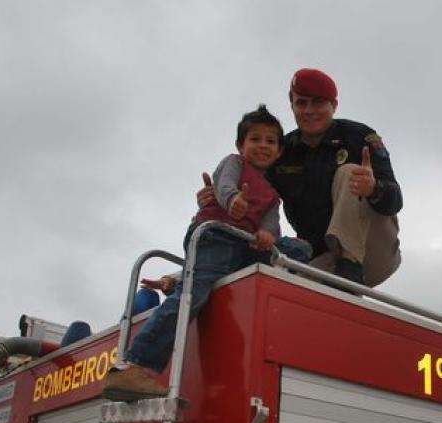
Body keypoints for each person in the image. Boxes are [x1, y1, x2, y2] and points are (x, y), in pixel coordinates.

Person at [102, 104, 311, 401]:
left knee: (299, 249)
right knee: (194, 292)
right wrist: (232, 200)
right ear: (241, 145)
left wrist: (266, 236)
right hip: (215, 236)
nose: (263, 146)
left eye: (270, 141)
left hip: (244, 245)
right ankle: (133, 366)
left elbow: (270, 226)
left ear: (278, 151)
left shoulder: (272, 195)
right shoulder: (234, 163)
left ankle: (269, 280)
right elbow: (224, 186)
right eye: (255, 139)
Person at [199, 68, 402, 286]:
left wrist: (373, 188)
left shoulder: (358, 137)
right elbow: (252, 197)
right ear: (292, 105)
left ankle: (349, 268)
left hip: (373, 250)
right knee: (277, 287)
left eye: (317, 103)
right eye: (301, 103)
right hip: (323, 258)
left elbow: (395, 200)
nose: (308, 111)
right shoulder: (280, 152)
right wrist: (218, 198)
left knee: (349, 173)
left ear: (334, 105)